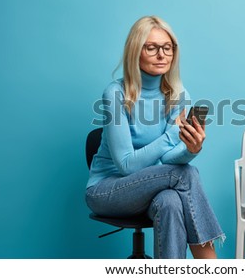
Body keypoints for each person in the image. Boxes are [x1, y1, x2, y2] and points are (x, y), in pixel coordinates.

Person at [85, 15, 224, 259]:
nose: (162, 55)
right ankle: (211, 265)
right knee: (187, 174)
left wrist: (191, 149)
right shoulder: (116, 93)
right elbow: (126, 165)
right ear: (135, 52)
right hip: (107, 190)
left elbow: (170, 158)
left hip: (154, 187)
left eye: (167, 48)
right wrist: (173, 134)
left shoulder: (178, 95)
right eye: (152, 47)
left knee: (170, 202)